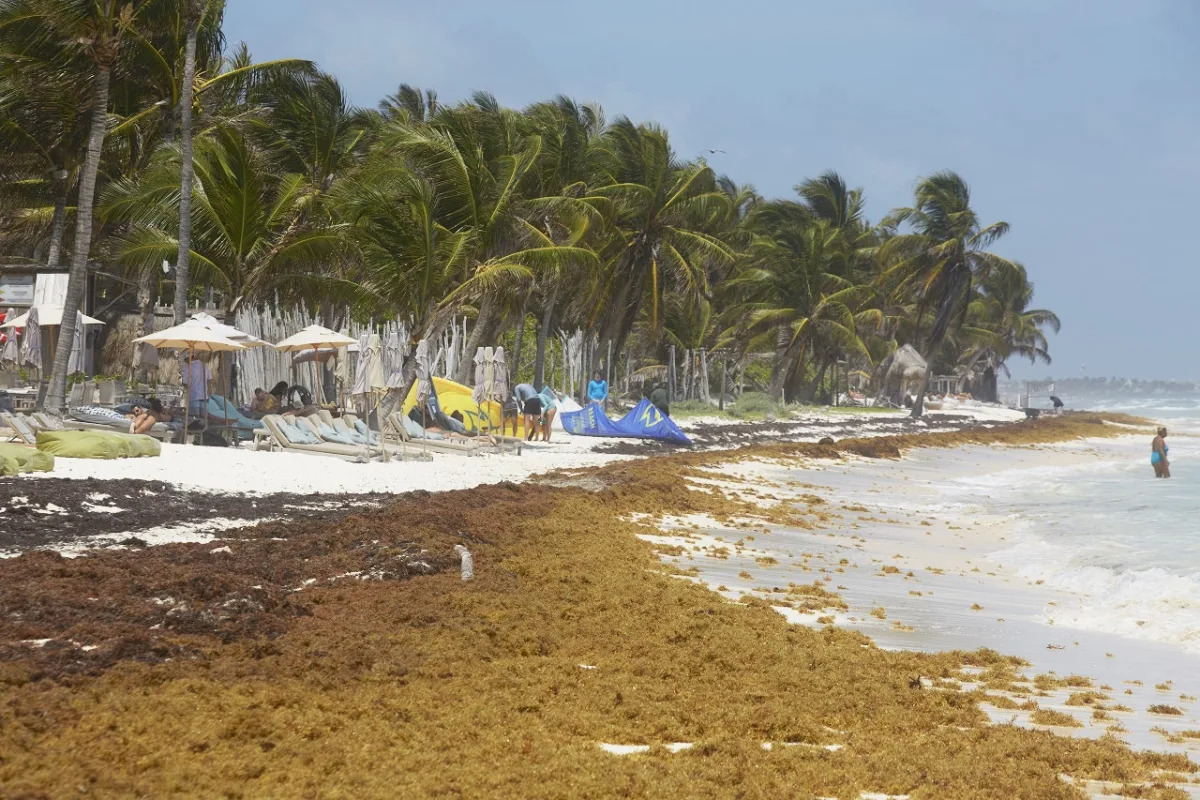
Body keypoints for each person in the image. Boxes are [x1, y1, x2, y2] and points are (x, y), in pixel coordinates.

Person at [181, 354, 212, 420]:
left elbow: (185, 383)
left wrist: (185, 385)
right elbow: (209, 379)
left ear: (189, 358)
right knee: (203, 418)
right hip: (204, 396)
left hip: (194, 396)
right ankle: (203, 429)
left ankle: (197, 429)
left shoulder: (189, 367)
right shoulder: (204, 365)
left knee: (194, 418)